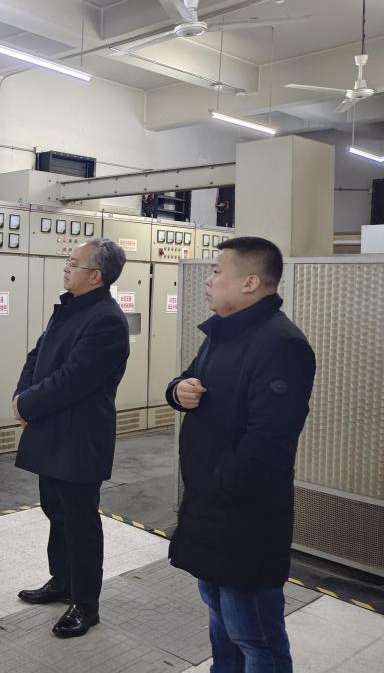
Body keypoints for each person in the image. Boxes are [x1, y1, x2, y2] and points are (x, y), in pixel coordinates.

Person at [167, 236, 315, 672]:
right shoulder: (223, 334)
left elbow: (267, 443)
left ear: (250, 282)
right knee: (220, 620)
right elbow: (188, 379)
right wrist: (178, 390)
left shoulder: (281, 345)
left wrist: (218, 485)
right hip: (210, 508)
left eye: (217, 272)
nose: (208, 280)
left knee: (255, 635)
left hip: (244, 517)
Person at [12, 238, 130, 638]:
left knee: (80, 521)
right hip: (50, 428)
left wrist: (28, 404)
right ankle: (61, 581)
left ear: (95, 275)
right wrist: (22, 396)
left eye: (73, 263)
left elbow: (73, 380)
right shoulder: (70, 308)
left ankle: (85, 603)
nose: (66, 267)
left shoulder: (106, 320)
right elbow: (36, 356)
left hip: (80, 437)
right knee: (56, 511)